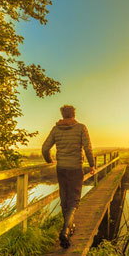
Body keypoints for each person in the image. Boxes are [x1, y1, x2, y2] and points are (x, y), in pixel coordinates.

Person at [42, 105, 95, 248]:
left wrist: (49, 160)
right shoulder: (81, 128)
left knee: (64, 199)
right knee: (74, 200)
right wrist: (92, 164)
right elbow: (87, 148)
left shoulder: (56, 129)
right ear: (73, 114)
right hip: (75, 168)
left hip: (61, 168)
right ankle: (65, 231)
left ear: (62, 114)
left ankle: (69, 227)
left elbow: (45, 148)